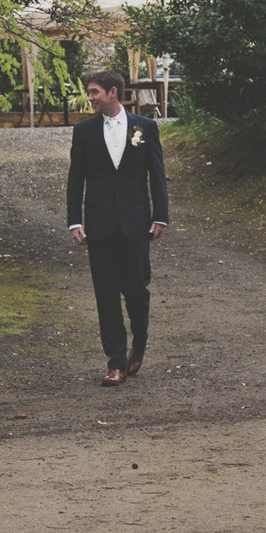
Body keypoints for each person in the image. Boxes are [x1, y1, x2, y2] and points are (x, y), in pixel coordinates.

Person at [64, 71, 169, 386]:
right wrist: (75, 220)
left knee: (137, 290)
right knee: (106, 295)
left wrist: (160, 215)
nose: (90, 97)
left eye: (95, 92)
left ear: (113, 92)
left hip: (136, 222)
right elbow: (75, 179)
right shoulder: (83, 131)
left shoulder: (145, 128)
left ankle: (139, 341)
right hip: (99, 224)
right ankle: (115, 363)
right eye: (89, 92)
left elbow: (157, 174)